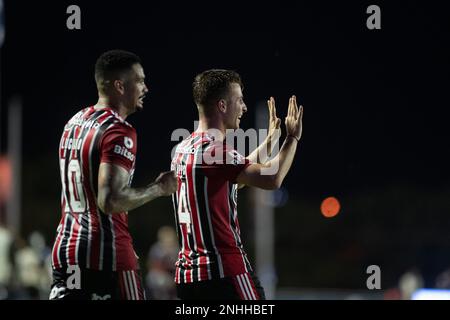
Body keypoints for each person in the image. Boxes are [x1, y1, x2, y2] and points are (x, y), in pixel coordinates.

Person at [50, 50, 178, 300]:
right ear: (120, 86)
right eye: (139, 81)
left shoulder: (73, 122)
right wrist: (159, 188)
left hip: (66, 251)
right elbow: (110, 201)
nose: (146, 88)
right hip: (107, 257)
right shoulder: (119, 130)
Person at [171, 69, 303, 300]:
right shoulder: (217, 151)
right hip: (224, 273)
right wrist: (292, 138)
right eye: (240, 100)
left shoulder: (183, 149)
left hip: (188, 279)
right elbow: (272, 179)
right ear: (222, 106)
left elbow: (236, 178)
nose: (244, 108)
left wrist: (271, 138)